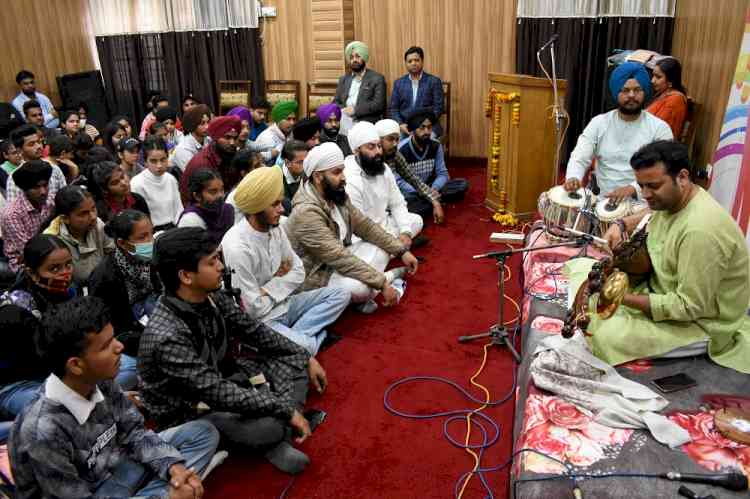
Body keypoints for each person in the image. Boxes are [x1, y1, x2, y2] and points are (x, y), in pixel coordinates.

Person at [139, 227, 329, 474]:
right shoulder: (167, 336)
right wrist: (283, 408)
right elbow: (215, 392)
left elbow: (254, 330)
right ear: (186, 276)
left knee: (294, 359)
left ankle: (279, 432)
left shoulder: (211, 295)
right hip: (193, 411)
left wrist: (305, 356)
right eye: (212, 262)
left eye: (218, 258)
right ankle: (279, 430)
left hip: (227, 377)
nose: (221, 267)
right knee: (265, 428)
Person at [9, 295, 219, 499]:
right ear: (75, 365)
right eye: (106, 345)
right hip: (96, 490)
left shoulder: (99, 378)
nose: (120, 347)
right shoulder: (42, 431)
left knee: (202, 433)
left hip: (119, 465)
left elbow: (135, 433)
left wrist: (174, 468)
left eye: (114, 338)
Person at [582, 140, 750, 374]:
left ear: (682, 177)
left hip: (701, 324)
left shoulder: (700, 231)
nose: (646, 194)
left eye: (653, 186)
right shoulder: (676, 199)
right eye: (641, 186)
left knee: (603, 334)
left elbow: (689, 307)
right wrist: (621, 224)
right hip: (659, 289)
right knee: (582, 270)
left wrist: (620, 298)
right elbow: (653, 212)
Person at [222, 167, 350, 354]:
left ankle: (293, 339)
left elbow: (298, 272)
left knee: (342, 294)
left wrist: (266, 289)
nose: (282, 209)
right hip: (263, 321)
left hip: (286, 303)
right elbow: (253, 310)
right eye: (275, 204)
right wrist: (280, 280)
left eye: (280, 202)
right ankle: (309, 340)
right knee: (306, 348)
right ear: (257, 207)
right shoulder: (237, 247)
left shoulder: (275, 226)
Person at [1, 235, 137, 402]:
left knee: (131, 367)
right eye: (54, 269)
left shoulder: (69, 291)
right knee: (62, 403)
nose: (65, 273)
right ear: (32, 273)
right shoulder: (16, 312)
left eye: (68, 265)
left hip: (71, 364)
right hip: (23, 380)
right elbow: (43, 362)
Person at [286, 143, 419, 313]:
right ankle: (390, 276)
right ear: (318, 177)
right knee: (359, 288)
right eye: (336, 172)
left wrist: (401, 251)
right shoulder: (306, 212)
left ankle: (372, 287)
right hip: (316, 275)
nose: (343, 178)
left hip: (338, 258)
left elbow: (365, 226)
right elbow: (338, 257)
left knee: (381, 246)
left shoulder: (335, 193)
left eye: (342, 170)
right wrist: (382, 283)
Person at [564, 62, 673, 202]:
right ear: (616, 93)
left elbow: (664, 168)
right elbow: (580, 156)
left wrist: (633, 188)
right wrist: (574, 177)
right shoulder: (599, 123)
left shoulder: (659, 128)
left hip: (643, 203)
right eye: (625, 90)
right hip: (603, 203)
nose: (632, 95)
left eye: (637, 90)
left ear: (644, 91)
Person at [90, 210, 161, 357]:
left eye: (151, 233)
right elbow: (111, 325)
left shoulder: (150, 259)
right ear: (122, 243)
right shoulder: (104, 277)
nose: (151, 241)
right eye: (142, 237)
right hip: (125, 335)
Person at [345, 121, 424, 252]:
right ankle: (395, 248)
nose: (378, 152)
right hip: (363, 235)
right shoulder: (350, 178)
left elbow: (397, 202)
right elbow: (359, 228)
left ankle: (395, 247)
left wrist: (405, 232)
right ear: (356, 151)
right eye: (371, 147)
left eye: (379, 146)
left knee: (416, 220)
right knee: (369, 250)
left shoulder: (383, 168)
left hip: (385, 224)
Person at [376, 118, 445, 224]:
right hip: (373, 208)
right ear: (378, 141)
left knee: (418, 218)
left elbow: (413, 178)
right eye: (390, 139)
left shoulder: (395, 154)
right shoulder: (371, 158)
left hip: (391, 202)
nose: (395, 144)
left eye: (397, 139)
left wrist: (435, 202)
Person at [43, 185, 114, 286]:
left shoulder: (97, 224)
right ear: (65, 218)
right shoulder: (53, 242)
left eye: (93, 208)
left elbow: (111, 253)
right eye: (83, 214)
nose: (93, 217)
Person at [396, 111, 469, 206]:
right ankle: (435, 200)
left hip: (431, 186)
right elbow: (399, 181)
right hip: (412, 190)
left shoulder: (436, 145)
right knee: (405, 197)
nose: (427, 132)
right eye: (422, 128)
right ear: (413, 130)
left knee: (462, 184)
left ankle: (428, 201)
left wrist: (434, 188)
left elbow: (443, 173)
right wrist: (424, 192)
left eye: (429, 127)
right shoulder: (401, 149)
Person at [1, 161, 54, 271]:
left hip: (52, 253)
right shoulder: (12, 214)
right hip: (22, 264)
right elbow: (29, 252)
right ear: (24, 189)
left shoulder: (50, 202)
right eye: (36, 188)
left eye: (45, 185)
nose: (43, 191)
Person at [180, 116, 241, 202]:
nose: (232, 143)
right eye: (227, 138)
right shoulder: (203, 163)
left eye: (235, 138)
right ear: (215, 138)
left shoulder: (228, 155)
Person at [389, 46, 445, 137]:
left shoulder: (434, 81)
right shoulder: (398, 83)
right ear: (406, 63)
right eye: (410, 61)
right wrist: (400, 124)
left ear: (422, 61)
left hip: (428, 125)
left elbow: (438, 108)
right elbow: (393, 108)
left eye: (416, 60)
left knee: (426, 142)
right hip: (405, 126)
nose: (413, 63)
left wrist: (423, 125)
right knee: (398, 145)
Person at [131, 137, 183, 231]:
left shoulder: (170, 179)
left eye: (163, 160)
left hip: (175, 228)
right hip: (153, 232)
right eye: (153, 161)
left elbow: (179, 209)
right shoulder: (137, 183)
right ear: (145, 162)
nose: (159, 165)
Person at [5, 125, 67, 203]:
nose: (38, 146)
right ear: (20, 150)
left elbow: (65, 200)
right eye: (31, 144)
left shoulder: (55, 169)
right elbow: (13, 211)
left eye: (39, 142)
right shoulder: (14, 177)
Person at [334, 41, 387, 127]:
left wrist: (355, 110)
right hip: (344, 120)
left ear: (364, 58)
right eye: (351, 57)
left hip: (366, 122)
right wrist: (344, 110)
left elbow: (378, 105)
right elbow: (335, 102)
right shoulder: (343, 79)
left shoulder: (377, 78)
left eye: (358, 56)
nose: (354, 60)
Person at [178, 168, 234, 244]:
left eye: (222, 190)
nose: (220, 195)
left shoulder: (228, 210)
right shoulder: (190, 219)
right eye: (213, 192)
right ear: (197, 196)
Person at [647, 57, 689, 140]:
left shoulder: (675, 99)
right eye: (653, 76)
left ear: (670, 82)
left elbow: (658, 130)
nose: (652, 80)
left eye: (658, 77)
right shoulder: (663, 93)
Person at [226, 148, 265, 224]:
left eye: (262, 163)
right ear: (244, 173)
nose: (263, 167)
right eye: (257, 166)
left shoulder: (260, 186)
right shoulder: (234, 199)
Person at [256, 100, 298, 165]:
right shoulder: (267, 137)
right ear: (279, 120)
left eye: (294, 119)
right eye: (288, 119)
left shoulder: (290, 133)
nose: (292, 123)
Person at [172, 104, 212, 172]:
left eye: (208, 122)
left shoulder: (209, 140)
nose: (207, 127)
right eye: (202, 123)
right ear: (193, 124)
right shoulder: (183, 149)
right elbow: (193, 176)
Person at [279, 140, 309, 213]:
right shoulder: (277, 180)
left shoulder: (307, 174)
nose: (306, 165)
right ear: (287, 163)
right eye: (300, 162)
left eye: (307, 160)